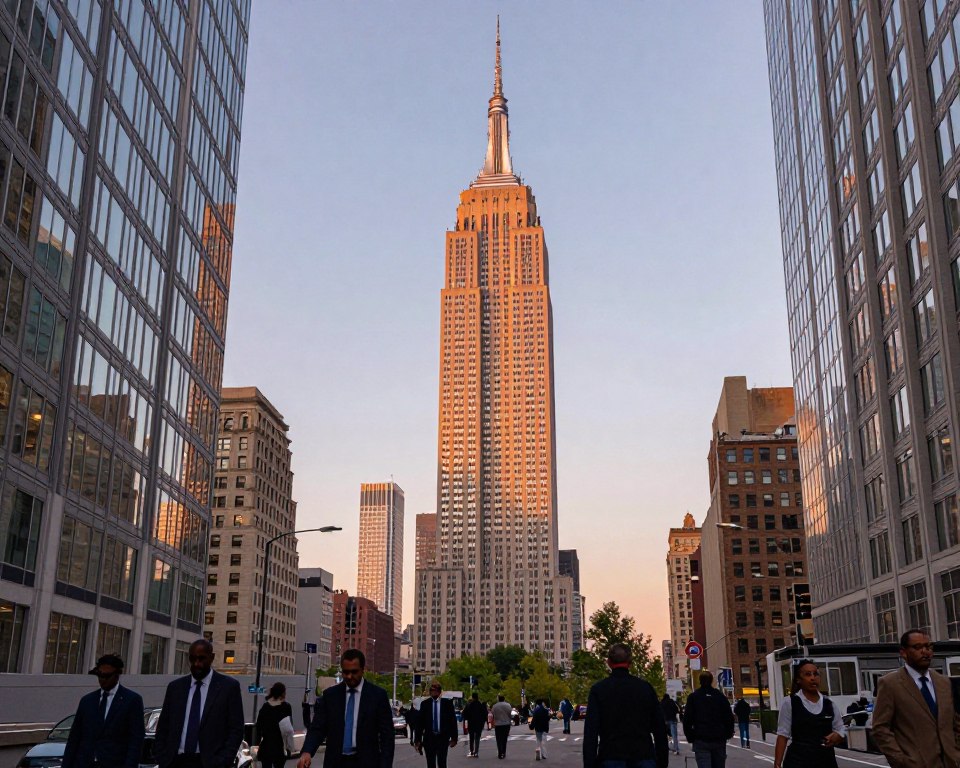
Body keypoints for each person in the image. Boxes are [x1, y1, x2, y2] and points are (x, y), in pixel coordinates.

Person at [872, 629, 960, 768]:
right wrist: (901, 761)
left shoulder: (944, 682)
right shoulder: (890, 684)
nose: (925, 652)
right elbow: (880, 728)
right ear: (903, 652)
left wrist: (956, 753)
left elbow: (954, 722)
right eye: (917, 647)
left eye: (928, 646)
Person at [154, 639, 244, 768]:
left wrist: (223, 761)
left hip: (210, 762)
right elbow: (163, 726)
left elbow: (236, 729)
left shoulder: (228, 687)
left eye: (202, 659)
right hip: (175, 761)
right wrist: (162, 758)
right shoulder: (175, 688)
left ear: (211, 658)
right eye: (193, 659)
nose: (197, 664)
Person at [297, 649, 394, 768]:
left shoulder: (377, 696)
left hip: (367, 762)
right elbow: (318, 728)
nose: (349, 676)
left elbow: (387, 736)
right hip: (336, 762)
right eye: (346, 672)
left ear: (363, 670)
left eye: (354, 672)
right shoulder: (330, 696)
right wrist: (307, 752)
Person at [583, 643, 669, 768]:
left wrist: (589, 763)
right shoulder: (645, 688)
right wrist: (662, 761)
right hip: (643, 755)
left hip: (610, 755)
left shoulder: (599, 690)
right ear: (630, 662)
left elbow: (591, 732)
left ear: (609, 662)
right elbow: (659, 727)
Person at [62, 654, 145, 768]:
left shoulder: (131, 701)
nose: (102, 680)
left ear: (117, 675)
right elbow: (74, 738)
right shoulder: (87, 701)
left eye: (107, 676)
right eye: (100, 675)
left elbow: (136, 740)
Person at [773, 659, 844, 768]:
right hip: (798, 762)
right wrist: (777, 764)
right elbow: (783, 735)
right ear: (798, 680)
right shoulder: (790, 703)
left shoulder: (829, 704)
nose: (812, 678)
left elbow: (840, 729)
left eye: (815, 674)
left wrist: (837, 736)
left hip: (826, 761)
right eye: (807, 674)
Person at [682, 671, 734, 768]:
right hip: (718, 738)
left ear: (700, 681)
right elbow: (728, 717)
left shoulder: (694, 697)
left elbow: (687, 719)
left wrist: (690, 736)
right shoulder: (720, 696)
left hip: (701, 738)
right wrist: (727, 733)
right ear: (711, 681)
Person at [414, 681, 458, 768]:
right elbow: (420, 723)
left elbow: (452, 721)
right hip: (429, 738)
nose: (433, 692)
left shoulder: (447, 704)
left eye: (435, 690)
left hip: (442, 738)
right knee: (430, 763)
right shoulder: (425, 704)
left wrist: (454, 738)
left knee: (442, 762)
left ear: (439, 692)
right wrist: (417, 740)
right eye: (432, 690)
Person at [257, 682, 296, 768]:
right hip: (280, 745)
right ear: (282, 693)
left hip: (266, 745)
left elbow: (259, 726)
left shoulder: (265, 707)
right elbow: (289, 727)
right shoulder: (286, 707)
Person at [461, 693, 488, 757]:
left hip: (471, 724)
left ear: (472, 697)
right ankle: (476, 751)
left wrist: (467, 719)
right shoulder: (481, 705)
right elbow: (485, 714)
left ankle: (471, 750)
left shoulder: (469, 705)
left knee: (471, 737)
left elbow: (464, 714)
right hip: (479, 724)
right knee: (477, 738)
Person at [490, 695, 513, 759]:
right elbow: (510, 714)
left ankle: (500, 753)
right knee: (504, 739)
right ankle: (504, 752)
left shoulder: (495, 706)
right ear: (504, 699)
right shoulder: (508, 705)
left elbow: (493, 714)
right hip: (506, 724)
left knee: (498, 739)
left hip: (498, 724)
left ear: (498, 699)